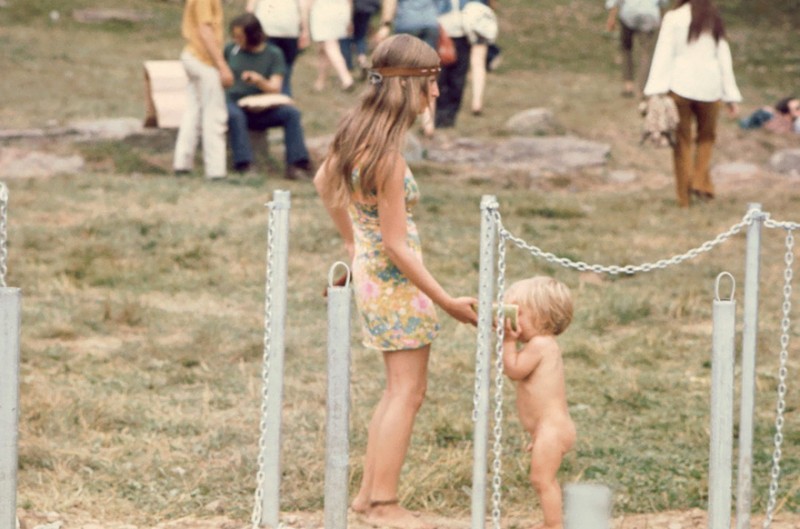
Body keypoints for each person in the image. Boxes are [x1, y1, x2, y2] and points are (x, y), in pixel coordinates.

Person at [314, 34, 478, 529]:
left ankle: (367, 497)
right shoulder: (389, 155)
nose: (436, 94)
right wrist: (447, 300)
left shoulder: (356, 133)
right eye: (431, 83)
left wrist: (350, 243)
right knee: (407, 391)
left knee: (397, 390)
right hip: (395, 285)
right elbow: (397, 244)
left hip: (373, 277)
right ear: (408, 87)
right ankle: (384, 504)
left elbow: (324, 181)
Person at [643, 0, 742, 207]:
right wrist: (731, 95)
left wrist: (654, 90)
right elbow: (723, 56)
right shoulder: (713, 17)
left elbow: (663, 53)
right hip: (710, 87)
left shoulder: (674, 17)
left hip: (680, 86)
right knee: (707, 137)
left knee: (682, 141)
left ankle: (684, 197)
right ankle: (699, 180)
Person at [501, 276, 575, 529]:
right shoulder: (541, 345)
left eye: (517, 314)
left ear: (542, 318)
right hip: (547, 429)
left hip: (552, 430)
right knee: (542, 479)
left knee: (542, 480)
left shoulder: (541, 345)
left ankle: (554, 525)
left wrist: (508, 341)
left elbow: (513, 370)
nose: (512, 322)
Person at [224, 13, 315, 179]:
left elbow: (275, 87)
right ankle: (244, 164)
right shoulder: (231, 50)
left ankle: (297, 164)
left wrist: (259, 81)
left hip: (261, 106)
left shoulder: (273, 54)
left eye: (240, 36)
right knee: (235, 115)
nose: (236, 39)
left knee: (291, 114)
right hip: (235, 104)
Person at [173, 0, 234, 180]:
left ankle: (182, 164)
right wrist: (222, 65)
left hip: (194, 56)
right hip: (203, 59)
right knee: (215, 114)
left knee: (193, 111)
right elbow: (204, 29)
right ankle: (216, 170)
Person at [605, 0, 669, 98]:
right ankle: (643, 88)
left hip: (628, 13)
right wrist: (663, 17)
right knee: (646, 53)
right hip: (649, 15)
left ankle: (628, 86)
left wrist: (611, 17)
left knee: (626, 49)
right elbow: (663, 2)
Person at [246, 0, 311, 97]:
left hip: (265, 26)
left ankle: (265, 95)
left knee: (265, 66)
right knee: (286, 68)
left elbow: (250, 7)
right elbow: (303, 6)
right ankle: (284, 94)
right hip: (289, 28)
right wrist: (305, 30)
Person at [435, 0, 471, 128]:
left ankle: (451, 116)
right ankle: (438, 115)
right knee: (440, 78)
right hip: (442, 35)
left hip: (463, 35)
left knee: (457, 80)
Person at [310, 0, 355, 92]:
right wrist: (349, 17)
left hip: (323, 11)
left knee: (330, 45)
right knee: (323, 48)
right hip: (341, 12)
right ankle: (321, 80)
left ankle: (346, 78)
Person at [462, 0, 498, 116]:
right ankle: (477, 102)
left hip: (462, 15)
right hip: (480, 15)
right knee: (478, 63)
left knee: (458, 63)